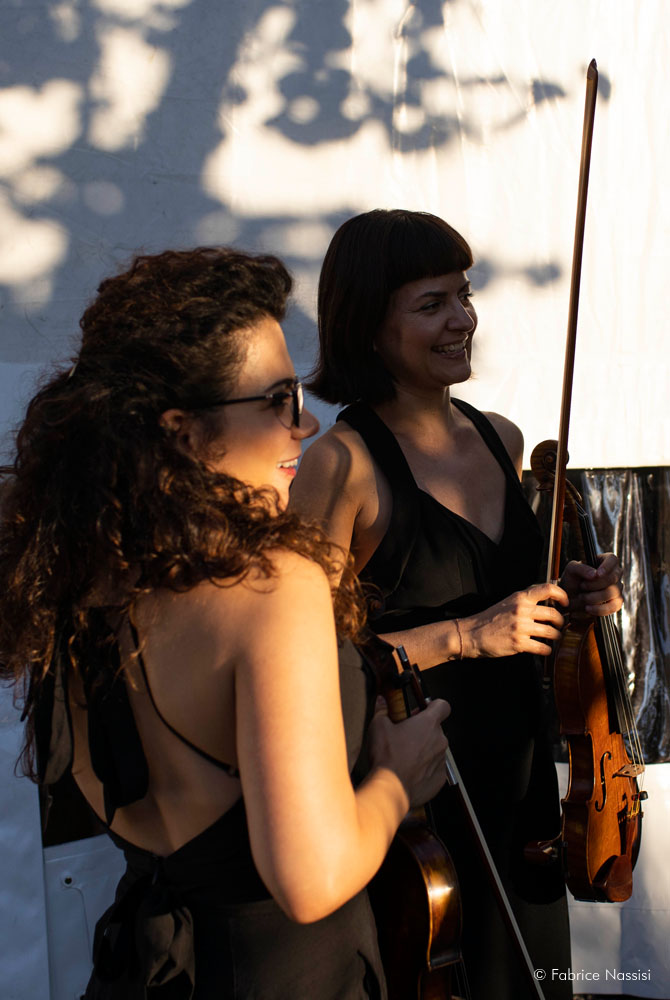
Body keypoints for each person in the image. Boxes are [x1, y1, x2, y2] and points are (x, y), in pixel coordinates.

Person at [0, 246, 452, 999]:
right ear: (182, 432)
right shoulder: (271, 588)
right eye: (278, 400)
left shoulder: (81, 573)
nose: (305, 424)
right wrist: (396, 780)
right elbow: (310, 881)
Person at [289, 209, 624, 1000]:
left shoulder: (503, 438)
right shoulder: (339, 466)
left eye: (464, 296)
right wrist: (466, 636)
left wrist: (574, 601)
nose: (462, 319)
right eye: (431, 303)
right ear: (369, 326)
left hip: (522, 779)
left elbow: (520, 609)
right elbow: (307, 662)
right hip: (421, 799)